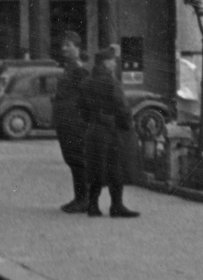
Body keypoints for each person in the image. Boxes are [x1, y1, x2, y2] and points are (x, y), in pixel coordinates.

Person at [82, 47, 139, 218]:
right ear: (106, 63)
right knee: (115, 167)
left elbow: (81, 107)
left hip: (93, 129)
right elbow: (122, 107)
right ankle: (117, 205)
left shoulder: (87, 82)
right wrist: (128, 126)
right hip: (111, 130)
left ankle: (92, 205)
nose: (114, 63)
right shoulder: (112, 83)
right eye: (113, 60)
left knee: (95, 167)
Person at [52, 31, 90, 213]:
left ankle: (85, 199)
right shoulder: (69, 69)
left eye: (69, 45)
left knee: (79, 160)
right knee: (72, 160)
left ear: (78, 48)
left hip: (75, 123)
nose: (64, 48)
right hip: (66, 122)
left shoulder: (79, 70)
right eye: (63, 45)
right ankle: (79, 198)